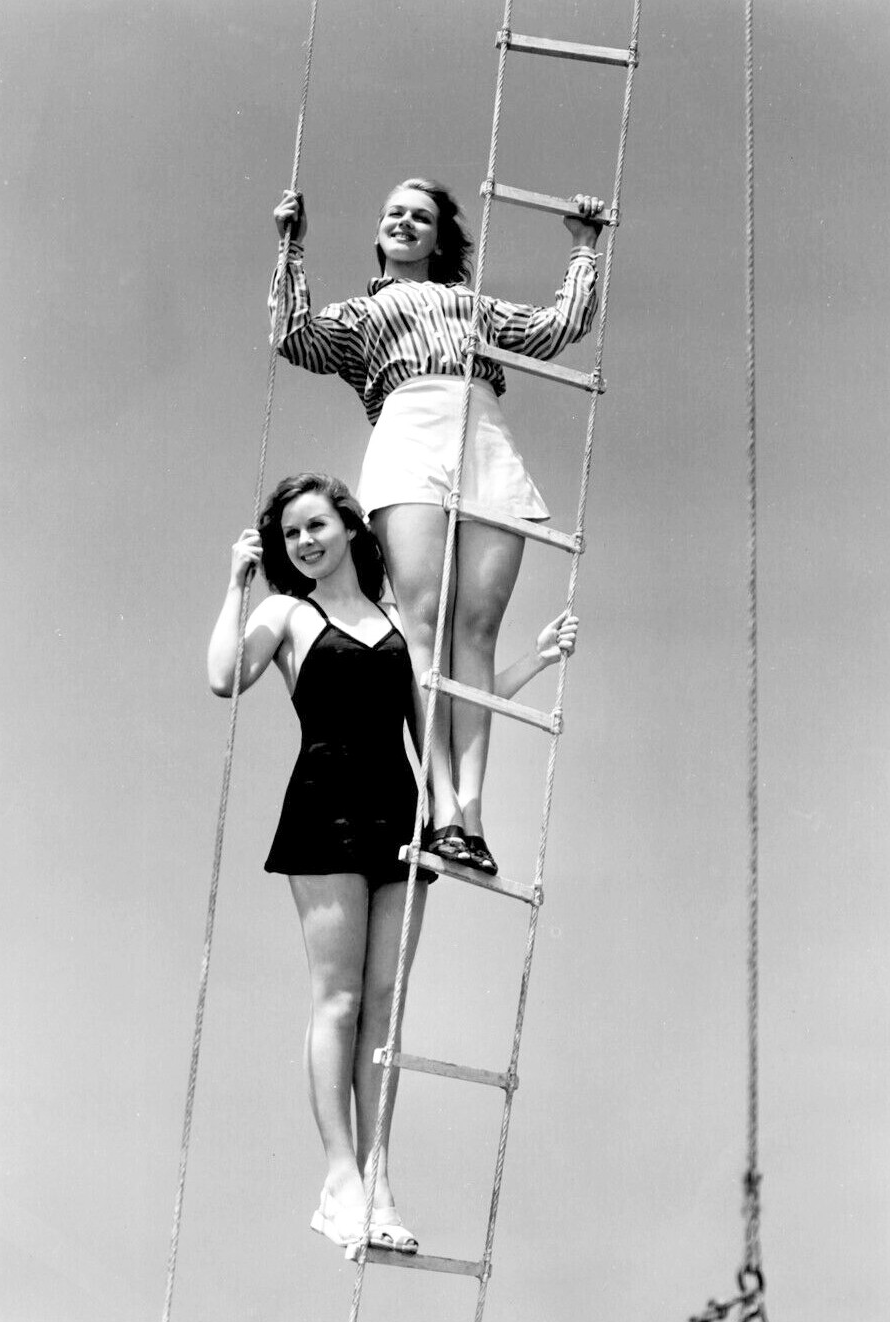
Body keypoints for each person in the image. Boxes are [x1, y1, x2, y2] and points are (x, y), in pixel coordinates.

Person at [208, 472, 578, 1253]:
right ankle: (339, 1178)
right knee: (338, 999)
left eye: (316, 525)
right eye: (290, 534)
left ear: (350, 526)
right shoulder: (285, 613)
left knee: (385, 1007)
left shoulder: (396, 621)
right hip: (324, 811)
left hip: (397, 817)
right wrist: (236, 585)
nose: (303, 542)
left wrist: (536, 661)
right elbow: (223, 677)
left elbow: (442, 709)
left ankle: (378, 1181)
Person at [269, 177, 603, 878]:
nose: (405, 222)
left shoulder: (471, 305)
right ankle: (442, 805)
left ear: (439, 237)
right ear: (379, 229)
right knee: (421, 623)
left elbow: (556, 329)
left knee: (476, 631)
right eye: (394, 212)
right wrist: (291, 249)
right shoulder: (363, 312)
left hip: (483, 435)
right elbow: (296, 339)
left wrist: (583, 248)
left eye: (420, 216)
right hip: (409, 434)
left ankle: (472, 818)